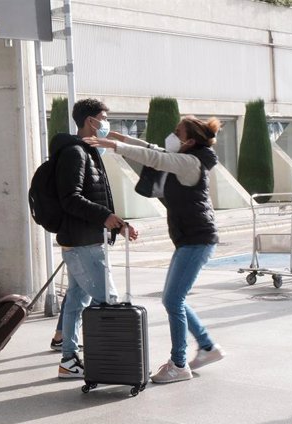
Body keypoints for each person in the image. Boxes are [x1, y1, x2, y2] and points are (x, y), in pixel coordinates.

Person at [85, 115, 226, 384]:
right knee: (176, 299)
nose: (172, 135)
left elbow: (157, 159)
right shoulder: (187, 156)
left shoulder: (190, 163)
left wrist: (115, 147)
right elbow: (154, 150)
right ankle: (207, 347)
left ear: (190, 141)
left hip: (197, 239)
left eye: (177, 131)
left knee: (173, 300)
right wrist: (121, 137)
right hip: (190, 239)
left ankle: (179, 364)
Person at [53, 98, 138, 379]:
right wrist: (105, 217)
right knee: (108, 301)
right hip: (82, 243)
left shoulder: (88, 151)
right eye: (103, 117)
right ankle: (113, 362)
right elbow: (71, 198)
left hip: (86, 239)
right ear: (90, 121)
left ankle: (69, 359)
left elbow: (92, 197)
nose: (106, 124)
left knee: (77, 301)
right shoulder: (75, 153)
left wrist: (117, 225)